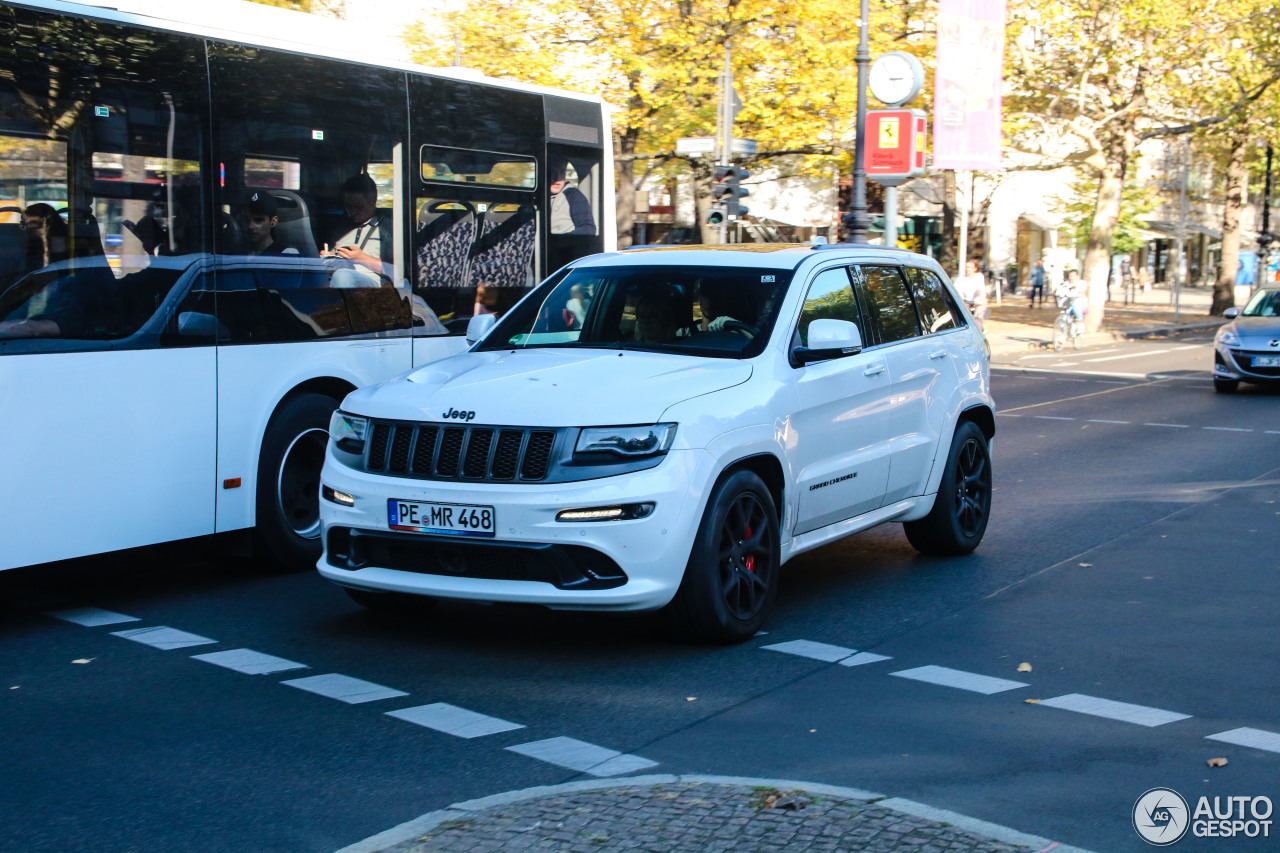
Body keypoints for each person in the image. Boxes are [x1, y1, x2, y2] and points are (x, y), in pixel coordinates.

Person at [323, 172, 392, 286]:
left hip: (375, 285)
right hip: (337, 278)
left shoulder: (388, 227)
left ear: (373, 200)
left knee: (343, 276)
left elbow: (396, 270)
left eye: (358, 206)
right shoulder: (342, 228)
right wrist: (328, 257)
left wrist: (360, 258)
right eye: (348, 206)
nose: (353, 211)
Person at [548, 159, 596, 236]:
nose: (557, 178)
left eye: (561, 171)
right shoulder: (533, 199)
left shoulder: (573, 196)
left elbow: (588, 228)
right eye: (552, 172)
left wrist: (559, 241)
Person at [241, 191, 293, 256]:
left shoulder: (286, 255)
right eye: (246, 220)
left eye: (258, 220)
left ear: (273, 222)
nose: (250, 226)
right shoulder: (236, 253)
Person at [954, 259, 988, 328]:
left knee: (978, 317)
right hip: (967, 301)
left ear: (975, 268)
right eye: (966, 267)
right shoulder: (962, 278)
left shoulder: (979, 276)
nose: (967, 269)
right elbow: (955, 288)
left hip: (978, 300)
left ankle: (979, 331)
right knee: (962, 316)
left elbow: (980, 289)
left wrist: (979, 298)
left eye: (969, 267)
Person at [1055, 268, 1087, 338]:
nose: (1071, 278)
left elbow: (1082, 292)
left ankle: (1080, 325)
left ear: (1077, 276)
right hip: (1069, 303)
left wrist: (1079, 294)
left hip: (1079, 303)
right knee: (1065, 316)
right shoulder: (1065, 284)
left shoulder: (1082, 283)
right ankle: (1062, 335)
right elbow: (1059, 291)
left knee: (1076, 308)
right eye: (1070, 276)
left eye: (1073, 276)